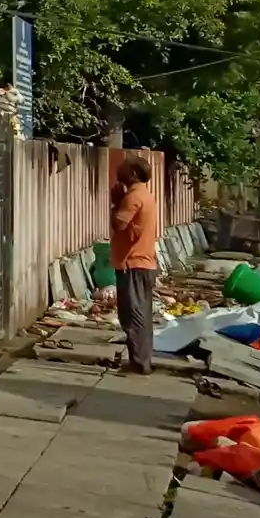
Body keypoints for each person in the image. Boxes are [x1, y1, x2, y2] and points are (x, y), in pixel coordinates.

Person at [111, 155, 160, 373]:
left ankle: (139, 363)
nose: (118, 170)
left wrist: (115, 202)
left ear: (132, 173)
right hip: (143, 262)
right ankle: (143, 359)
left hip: (133, 264)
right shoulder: (145, 195)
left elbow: (119, 224)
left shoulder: (133, 197)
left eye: (122, 168)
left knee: (132, 315)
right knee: (142, 315)